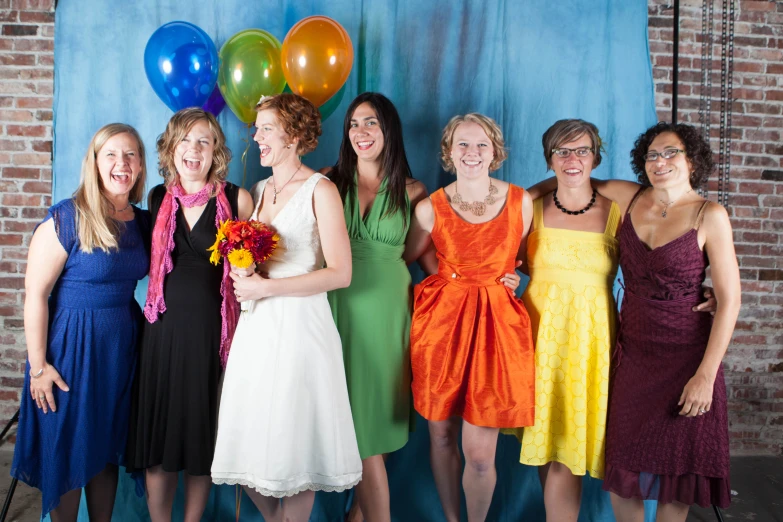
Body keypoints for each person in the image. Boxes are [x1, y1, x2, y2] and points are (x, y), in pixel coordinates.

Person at [211, 93, 362, 522]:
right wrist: (243, 273)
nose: (255, 137)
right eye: (257, 128)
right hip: (257, 330)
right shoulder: (259, 190)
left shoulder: (322, 190)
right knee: (246, 442)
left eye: (265, 129)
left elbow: (340, 274)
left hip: (301, 328)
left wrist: (265, 289)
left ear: (294, 136)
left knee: (295, 446)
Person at [594, 122, 740, 521]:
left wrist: (705, 376)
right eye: (652, 155)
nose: (660, 161)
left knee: (675, 476)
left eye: (671, 152)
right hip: (634, 355)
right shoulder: (629, 196)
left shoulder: (710, 215)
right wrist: (517, 198)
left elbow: (729, 301)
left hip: (686, 358)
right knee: (623, 467)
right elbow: (571, 175)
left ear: (691, 159)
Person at [11, 123, 150, 521]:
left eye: (130, 155)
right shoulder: (68, 217)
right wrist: (39, 367)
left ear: (140, 166)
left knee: (105, 448)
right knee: (70, 447)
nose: (121, 164)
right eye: (111, 154)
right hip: (71, 347)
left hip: (122, 350)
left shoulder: (140, 222)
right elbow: (36, 294)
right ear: (94, 162)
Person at [405, 113, 535, 522]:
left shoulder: (520, 201)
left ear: (495, 151)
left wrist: (513, 277)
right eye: (462, 144)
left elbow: (531, 257)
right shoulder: (430, 208)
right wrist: (446, 278)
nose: (472, 152)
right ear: (449, 151)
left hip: (496, 328)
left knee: (480, 454)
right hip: (443, 327)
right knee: (442, 434)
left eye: (481, 144)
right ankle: (450, 518)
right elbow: (405, 255)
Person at [125, 108, 253, 522]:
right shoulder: (159, 198)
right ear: (171, 147)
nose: (193, 149)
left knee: (201, 437)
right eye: (185, 140)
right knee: (159, 440)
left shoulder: (237, 199)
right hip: (160, 335)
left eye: (204, 141)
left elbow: (252, 271)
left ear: (216, 150)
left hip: (209, 336)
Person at [503, 119, 620, 522]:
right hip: (538, 337)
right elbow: (502, 261)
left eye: (582, 150)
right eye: (562, 151)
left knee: (567, 446)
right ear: (549, 158)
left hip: (592, 341)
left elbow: (656, 263)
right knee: (547, 443)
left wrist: (701, 290)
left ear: (596, 157)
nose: (573, 159)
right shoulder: (529, 208)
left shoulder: (618, 211)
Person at [321, 92, 427, 522]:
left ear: (388, 131)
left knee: (369, 432)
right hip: (335, 310)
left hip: (386, 315)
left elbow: (416, 254)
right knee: (351, 430)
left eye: (371, 123)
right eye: (353, 124)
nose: (361, 132)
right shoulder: (329, 182)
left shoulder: (415, 191)